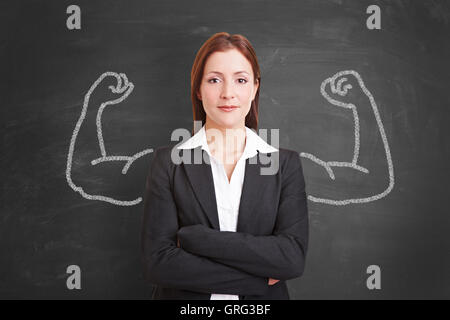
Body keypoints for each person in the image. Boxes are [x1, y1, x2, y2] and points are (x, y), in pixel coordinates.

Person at [141, 32, 308, 300]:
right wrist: (260, 282)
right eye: (214, 80)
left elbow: (291, 259)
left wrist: (196, 239)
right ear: (198, 88)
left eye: (240, 80)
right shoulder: (168, 163)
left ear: (254, 88)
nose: (228, 93)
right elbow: (159, 264)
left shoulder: (285, 165)